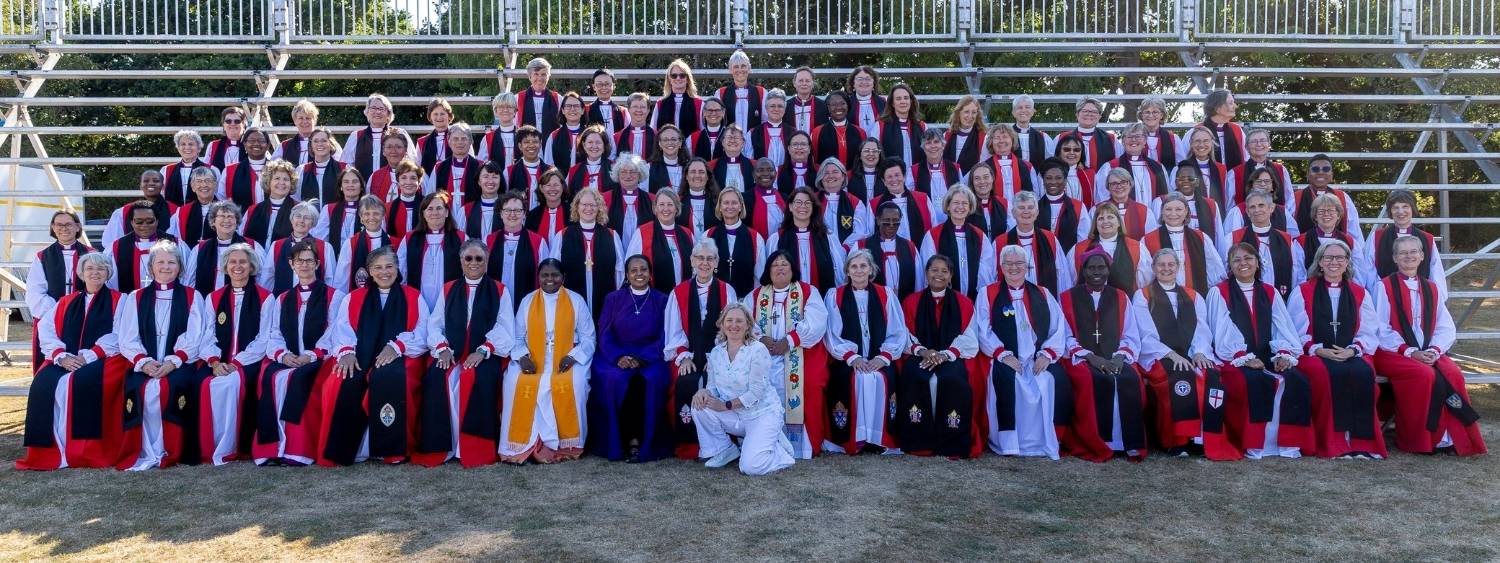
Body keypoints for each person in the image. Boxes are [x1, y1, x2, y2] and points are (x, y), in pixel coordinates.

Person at [1372, 235, 1485, 455]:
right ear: (1395, 258)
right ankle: (1420, 440)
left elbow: (1445, 326)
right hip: (1391, 351)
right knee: (1424, 375)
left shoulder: (1432, 288)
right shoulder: (1383, 286)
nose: (1409, 256)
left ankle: (1453, 437)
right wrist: (1410, 351)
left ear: (1422, 256)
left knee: (1453, 373)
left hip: (1427, 350)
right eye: (1403, 253)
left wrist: (1434, 350)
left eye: (1414, 252)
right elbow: (1379, 328)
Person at [17, 253, 128, 470]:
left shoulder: (121, 300)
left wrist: (88, 355)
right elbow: (46, 329)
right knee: (43, 384)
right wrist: (60, 355)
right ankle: (49, 451)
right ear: (81, 273)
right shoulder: (65, 302)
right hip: (66, 358)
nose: (95, 273)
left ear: (108, 273)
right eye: (89, 269)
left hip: (102, 358)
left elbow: (120, 333)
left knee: (82, 383)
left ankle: (83, 452)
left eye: (100, 269)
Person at [322, 246, 430, 465]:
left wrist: (397, 346)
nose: (384, 272)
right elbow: (341, 329)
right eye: (378, 267)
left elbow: (422, 332)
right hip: (360, 354)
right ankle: (347, 450)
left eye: (389, 266)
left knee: (388, 378)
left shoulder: (412, 296)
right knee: (343, 379)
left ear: (398, 268)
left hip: (402, 356)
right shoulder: (353, 298)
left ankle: (391, 448)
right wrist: (346, 352)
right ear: (369, 271)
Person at [413, 240, 516, 468]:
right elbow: (435, 324)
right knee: (437, 378)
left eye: (479, 258)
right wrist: (441, 349)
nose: (473, 263)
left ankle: (472, 449)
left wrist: (483, 350)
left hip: (485, 354)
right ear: (460, 261)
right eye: (468, 258)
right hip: (452, 351)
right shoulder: (448, 288)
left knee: (473, 379)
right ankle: (443, 447)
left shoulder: (499, 290)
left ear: (487, 261)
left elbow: (506, 327)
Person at [1133, 249, 1242, 459]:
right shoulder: (1144, 295)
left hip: (1191, 353)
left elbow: (1202, 329)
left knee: (1209, 377)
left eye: (1170, 264)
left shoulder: (1193, 296)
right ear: (1154, 268)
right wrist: (1171, 354)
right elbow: (1145, 333)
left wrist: (1200, 352)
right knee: (1179, 378)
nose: (1166, 269)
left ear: (1178, 267)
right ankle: (1176, 441)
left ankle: (1202, 438)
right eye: (1161, 265)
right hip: (1158, 356)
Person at [1210, 242, 1315, 458]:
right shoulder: (1219, 292)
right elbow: (1221, 329)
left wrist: (1284, 353)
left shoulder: (1269, 291)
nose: (1243, 263)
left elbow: (1281, 326)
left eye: (1248, 258)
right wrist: (1242, 356)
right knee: (1255, 381)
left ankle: (1289, 443)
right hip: (1233, 359)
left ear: (1258, 262)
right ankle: (1256, 444)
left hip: (1268, 355)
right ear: (1230, 265)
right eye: (1236, 260)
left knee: (1296, 379)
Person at [115, 239, 212, 470]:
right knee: (143, 390)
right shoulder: (135, 297)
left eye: (171, 262)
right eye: (160, 262)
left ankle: (172, 449)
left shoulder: (192, 296)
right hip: (145, 363)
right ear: (151, 267)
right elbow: (127, 337)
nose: (166, 267)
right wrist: (144, 362)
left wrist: (173, 361)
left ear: (179, 267)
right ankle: (145, 449)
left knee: (169, 388)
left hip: (180, 363)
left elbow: (195, 335)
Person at [1287, 240, 1387, 459]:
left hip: (1350, 352)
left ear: (1348, 262)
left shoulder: (1360, 293)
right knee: (1326, 375)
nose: (1334, 262)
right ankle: (1334, 443)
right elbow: (1293, 331)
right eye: (1328, 258)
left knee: (1363, 373)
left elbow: (1370, 330)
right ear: (1320, 262)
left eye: (1340, 258)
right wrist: (1319, 350)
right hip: (1313, 354)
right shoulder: (1303, 292)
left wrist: (1352, 350)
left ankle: (1362, 443)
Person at [973, 245, 1069, 459]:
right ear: (1001, 266)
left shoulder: (1043, 293)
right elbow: (982, 328)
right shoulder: (987, 293)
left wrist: (1047, 355)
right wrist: (1003, 354)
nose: (1014, 268)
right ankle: (1010, 443)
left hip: (1036, 357)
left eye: (1019, 263)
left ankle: (1044, 440)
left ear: (1027, 267)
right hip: (1005, 357)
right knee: (1008, 379)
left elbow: (1057, 327)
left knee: (1049, 380)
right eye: (1009, 263)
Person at [253, 240, 344, 466]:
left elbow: (334, 332)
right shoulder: (282, 298)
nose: (304, 265)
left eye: (309, 261)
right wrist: (282, 355)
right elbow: (274, 333)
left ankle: (297, 449)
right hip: (289, 356)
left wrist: (311, 355)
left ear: (318, 263)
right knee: (272, 378)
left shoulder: (334, 296)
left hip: (320, 358)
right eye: (299, 261)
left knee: (297, 379)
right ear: (291, 264)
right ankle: (272, 448)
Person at [502, 259, 595, 463]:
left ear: (563, 278)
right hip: (533, 358)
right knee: (513, 381)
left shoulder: (576, 301)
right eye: (545, 275)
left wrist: (573, 357)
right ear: (539, 277)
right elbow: (516, 337)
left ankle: (566, 444)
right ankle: (525, 444)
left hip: (566, 358)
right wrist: (523, 357)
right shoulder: (528, 301)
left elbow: (588, 338)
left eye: (555, 275)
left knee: (576, 383)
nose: (550, 279)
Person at [1059, 248, 1146, 461]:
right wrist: (1092, 358)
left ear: (1108, 270)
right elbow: (1065, 337)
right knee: (1093, 379)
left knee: (1128, 378)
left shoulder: (1120, 297)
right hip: (1081, 359)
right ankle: (1099, 441)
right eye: (1091, 268)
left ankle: (1128, 442)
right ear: (1083, 271)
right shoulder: (1067, 298)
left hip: (1115, 356)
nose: (1096, 272)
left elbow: (1130, 334)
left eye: (1101, 267)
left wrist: (1118, 357)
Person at [690, 303, 795, 475]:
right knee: (699, 405)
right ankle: (724, 449)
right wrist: (703, 393)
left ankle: (779, 451)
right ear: (722, 324)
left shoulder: (758, 350)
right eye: (729, 320)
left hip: (761, 414)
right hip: (737, 416)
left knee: (750, 467)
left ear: (748, 325)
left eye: (739, 321)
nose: (734, 325)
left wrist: (725, 406)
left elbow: (756, 393)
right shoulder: (716, 352)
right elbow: (713, 388)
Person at [744, 250, 830, 459]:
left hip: (799, 353)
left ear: (793, 270)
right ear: (768, 271)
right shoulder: (756, 295)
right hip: (764, 353)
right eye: (775, 265)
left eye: (785, 264)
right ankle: (763, 441)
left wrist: (790, 341)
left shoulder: (808, 292)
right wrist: (761, 338)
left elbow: (817, 322)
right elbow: (744, 320)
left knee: (808, 385)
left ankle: (801, 447)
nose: (780, 268)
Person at [195, 243, 274, 465]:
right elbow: (206, 335)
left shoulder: (266, 297)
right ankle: (207, 446)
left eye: (243, 262)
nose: (237, 266)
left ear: (252, 267)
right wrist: (214, 361)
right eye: (232, 262)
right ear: (225, 268)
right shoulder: (213, 298)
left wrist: (236, 362)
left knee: (230, 385)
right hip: (216, 361)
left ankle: (232, 446)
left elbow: (264, 338)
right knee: (199, 383)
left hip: (250, 361)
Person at [823, 249, 909, 454]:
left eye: (863, 266)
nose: (859, 270)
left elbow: (898, 330)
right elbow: (832, 334)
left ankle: (878, 438)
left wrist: (883, 357)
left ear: (871, 269)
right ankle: (855, 438)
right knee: (857, 379)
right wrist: (852, 357)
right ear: (847, 271)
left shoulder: (885, 294)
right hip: (848, 361)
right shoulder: (835, 295)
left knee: (879, 378)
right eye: (854, 266)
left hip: (879, 358)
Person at [589, 255, 672, 462]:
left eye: (643, 269)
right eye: (633, 270)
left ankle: (644, 442)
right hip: (616, 354)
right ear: (626, 275)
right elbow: (605, 333)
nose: (639, 274)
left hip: (650, 355)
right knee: (614, 380)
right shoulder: (613, 299)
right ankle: (619, 441)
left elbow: (665, 334)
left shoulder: (661, 300)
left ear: (650, 273)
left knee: (650, 380)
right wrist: (618, 357)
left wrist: (642, 358)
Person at [898, 255, 981, 458]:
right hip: (920, 354)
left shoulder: (964, 302)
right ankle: (919, 442)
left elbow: (970, 338)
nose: (939, 275)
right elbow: (903, 334)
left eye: (944, 271)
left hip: (950, 356)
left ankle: (951, 443)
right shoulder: (911, 301)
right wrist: (923, 351)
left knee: (952, 379)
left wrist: (945, 355)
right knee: (915, 377)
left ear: (951, 275)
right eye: (934, 270)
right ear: (926, 274)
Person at [665, 241, 740, 459]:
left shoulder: (727, 291)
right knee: (685, 381)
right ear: (692, 261)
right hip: (688, 354)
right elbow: (674, 330)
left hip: (720, 355)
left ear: (717, 262)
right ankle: (689, 445)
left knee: (718, 383)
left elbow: (733, 329)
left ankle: (723, 442)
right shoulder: (678, 293)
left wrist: (716, 357)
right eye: (700, 258)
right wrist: (683, 356)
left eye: (710, 259)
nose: (704, 263)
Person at [26, 210, 93, 371]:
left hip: (84, 318)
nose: (64, 228)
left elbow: (99, 287)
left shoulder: (92, 255)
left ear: (77, 227)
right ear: (53, 228)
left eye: (69, 224)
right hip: (51, 318)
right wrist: (58, 312)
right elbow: (35, 292)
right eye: (59, 224)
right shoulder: (42, 257)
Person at [550, 187, 625, 318]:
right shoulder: (562, 235)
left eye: (593, 205)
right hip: (570, 297)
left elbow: (620, 271)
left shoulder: (612, 236)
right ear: (577, 207)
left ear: (599, 208)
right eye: (584, 204)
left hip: (604, 295)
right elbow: (554, 269)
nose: (588, 208)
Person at [1138, 193, 1226, 296]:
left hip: (1196, 297)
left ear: (1186, 212)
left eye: (1178, 209)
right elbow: (1146, 276)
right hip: (1161, 299)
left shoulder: (1201, 237)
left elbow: (1214, 272)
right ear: (1162, 211)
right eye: (1168, 209)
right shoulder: (1147, 240)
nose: (1173, 213)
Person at [919, 186, 994, 299]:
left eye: (964, 203)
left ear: (970, 207)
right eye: (956, 202)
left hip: (973, 300)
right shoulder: (933, 236)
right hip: (941, 299)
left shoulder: (980, 236)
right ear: (948, 206)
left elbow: (987, 270)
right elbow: (928, 270)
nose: (960, 207)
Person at [1368, 189, 1447, 296]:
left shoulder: (1427, 239)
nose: (1400, 211)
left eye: (1405, 206)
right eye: (1395, 207)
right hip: (1387, 295)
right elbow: (1369, 269)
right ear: (1390, 211)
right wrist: (1378, 293)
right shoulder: (1377, 237)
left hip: (1420, 296)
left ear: (1412, 209)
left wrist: (1437, 298)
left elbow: (1436, 271)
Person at [1227, 191, 1305, 298]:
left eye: (1261, 205)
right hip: (1245, 298)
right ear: (1247, 212)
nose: (1257, 210)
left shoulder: (1286, 239)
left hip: (1280, 298)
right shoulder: (1233, 238)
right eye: (1252, 207)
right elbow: (1225, 270)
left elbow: (1296, 273)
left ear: (1271, 208)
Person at [769, 187, 848, 292]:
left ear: (813, 207)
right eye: (798, 202)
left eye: (807, 203)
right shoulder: (776, 239)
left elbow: (839, 270)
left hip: (822, 299)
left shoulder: (828, 237)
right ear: (790, 207)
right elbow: (770, 272)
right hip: (788, 301)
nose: (803, 206)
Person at [397, 191, 466, 308]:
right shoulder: (410, 239)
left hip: (451, 299)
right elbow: (400, 269)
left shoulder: (461, 238)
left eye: (439, 208)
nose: (435, 212)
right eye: (430, 209)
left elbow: (468, 270)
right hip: (417, 298)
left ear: (446, 212)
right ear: (423, 213)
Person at [996, 191, 1071, 295]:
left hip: (1045, 299)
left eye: (1030, 207)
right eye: (1021, 208)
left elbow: (1062, 275)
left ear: (1037, 212)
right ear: (1013, 213)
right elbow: (993, 277)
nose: (1026, 211)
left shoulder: (1050, 239)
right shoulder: (1000, 242)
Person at [1295, 192, 1376, 288]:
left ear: (1338, 215)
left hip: (1343, 291)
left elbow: (1359, 273)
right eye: (1321, 211)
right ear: (1315, 216)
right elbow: (1298, 275)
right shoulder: (1301, 241)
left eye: (1331, 211)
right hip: (1312, 293)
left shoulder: (1350, 242)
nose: (1326, 214)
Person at [184, 201, 264, 295]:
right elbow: (190, 281)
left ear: (237, 221)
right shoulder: (199, 249)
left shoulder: (252, 246)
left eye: (230, 216)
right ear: (213, 221)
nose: (226, 220)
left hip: (242, 300)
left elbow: (262, 278)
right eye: (222, 216)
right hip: (208, 303)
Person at [626, 188, 694, 293]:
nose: (665, 209)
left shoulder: (687, 234)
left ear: (677, 208)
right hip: (653, 297)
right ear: (655, 208)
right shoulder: (642, 233)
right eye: (661, 204)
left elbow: (695, 266)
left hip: (683, 296)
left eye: (670, 204)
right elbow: (631, 265)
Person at [263, 200, 338, 294]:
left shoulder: (325, 248)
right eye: (298, 216)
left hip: (316, 301)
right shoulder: (276, 246)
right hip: (283, 302)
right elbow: (267, 278)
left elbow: (330, 280)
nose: (301, 221)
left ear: (312, 223)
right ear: (292, 219)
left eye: (307, 218)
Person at [1067, 202, 1142, 295]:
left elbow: (1142, 283)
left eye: (1110, 217)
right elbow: (1070, 280)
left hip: (1123, 305)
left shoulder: (1137, 248)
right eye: (1101, 218)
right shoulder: (1079, 249)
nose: (1105, 221)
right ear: (1095, 224)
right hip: (1087, 304)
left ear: (1119, 222)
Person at [854, 202, 925, 299]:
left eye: (896, 221)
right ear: (878, 220)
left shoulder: (910, 247)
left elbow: (919, 282)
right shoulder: (861, 246)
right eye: (887, 220)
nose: (891, 225)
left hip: (904, 304)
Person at [487, 192, 548, 306]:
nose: (512, 214)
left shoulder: (538, 242)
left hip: (528, 304)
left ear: (524, 214)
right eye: (507, 210)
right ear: (501, 213)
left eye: (517, 210)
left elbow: (544, 276)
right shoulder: (489, 241)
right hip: (495, 302)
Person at [703, 188, 766, 295]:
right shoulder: (708, 235)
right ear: (720, 207)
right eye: (726, 203)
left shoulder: (755, 237)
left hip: (745, 299)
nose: (730, 206)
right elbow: (701, 270)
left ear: (741, 206)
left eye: (734, 203)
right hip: (715, 296)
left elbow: (759, 275)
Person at [1153, 164, 1227, 254]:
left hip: (1203, 252)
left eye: (1190, 179)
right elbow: (1155, 232)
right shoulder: (1161, 202)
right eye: (1181, 179)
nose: (1186, 182)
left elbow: (1219, 237)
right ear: (1175, 182)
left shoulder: (1211, 204)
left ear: (1197, 182)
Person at [110, 200, 179, 294]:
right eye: (139, 222)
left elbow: (186, 276)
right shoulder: (117, 247)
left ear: (157, 221)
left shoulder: (175, 243)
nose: (144, 225)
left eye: (150, 221)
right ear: (132, 223)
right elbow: (110, 282)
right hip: (131, 304)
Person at [1093, 123, 1170, 206]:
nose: (1133, 140)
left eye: (1138, 136)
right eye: (1129, 136)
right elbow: (1102, 197)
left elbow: (1165, 197)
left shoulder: (1158, 167)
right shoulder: (1109, 167)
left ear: (1145, 141)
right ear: (1123, 141)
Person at [101, 170, 175, 250]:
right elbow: (111, 244)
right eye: (146, 181)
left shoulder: (176, 212)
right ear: (140, 185)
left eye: (156, 181)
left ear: (163, 186)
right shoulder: (123, 213)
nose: (151, 183)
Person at [870, 159, 938, 241]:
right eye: (889, 177)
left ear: (904, 176)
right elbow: (870, 233)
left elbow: (934, 229)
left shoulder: (923, 199)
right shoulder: (874, 204)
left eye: (897, 175)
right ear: (884, 181)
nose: (894, 179)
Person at [333, 195, 391, 291]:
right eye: (367, 214)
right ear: (361, 217)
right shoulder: (350, 244)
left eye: (376, 213)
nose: (371, 218)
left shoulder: (394, 243)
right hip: (359, 298)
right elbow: (341, 278)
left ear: (383, 215)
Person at [1226, 129, 1296, 208]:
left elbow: (1289, 199)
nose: (1259, 144)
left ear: (1269, 144)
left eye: (1263, 140)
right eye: (1254, 141)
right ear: (1246, 147)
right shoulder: (1234, 173)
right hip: (1244, 219)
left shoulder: (1281, 170)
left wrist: (1282, 217)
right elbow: (1229, 205)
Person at [1036, 158, 1093, 254]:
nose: (1053, 182)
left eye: (1058, 178)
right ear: (1043, 180)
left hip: (1069, 259)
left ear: (1065, 180)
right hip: (1042, 259)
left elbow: (1083, 240)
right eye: (1048, 178)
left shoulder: (1078, 207)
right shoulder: (1035, 207)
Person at [1223, 168, 1299, 237]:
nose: (1263, 184)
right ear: (1251, 186)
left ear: (1272, 186)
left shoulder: (1283, 212)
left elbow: (1292, 238)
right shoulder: (1237, 211)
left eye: (1267, 181)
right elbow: (1232, 240)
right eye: (1258, 181)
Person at [1173, 125, 1231, 215]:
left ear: (1212, 143)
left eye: (1206, 141)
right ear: (1191, 143)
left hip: (1215, 215)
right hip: (1188, 216)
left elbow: (1226, 197)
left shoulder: (1221, 169)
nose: (1201, 145)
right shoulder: (1180, 168)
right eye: (1197, 141)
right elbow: (1173, 196)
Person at [815, 157, 873, 246]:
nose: (831, 176)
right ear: (820, 178)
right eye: (826, 173)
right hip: (820, 251)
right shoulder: (812, 200)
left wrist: (844, 249)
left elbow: (859, 232)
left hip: (847, 253)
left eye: (835, 172)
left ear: (843, 176)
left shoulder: (855, 202)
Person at [239, 159, 297, 245]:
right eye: (277, 178)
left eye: (286, 179)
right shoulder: (253, 210)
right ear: (268, 181)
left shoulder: (298, 209)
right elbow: (241, 238)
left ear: (291, 183)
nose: (281, 183)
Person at [424, 121, 482, 205]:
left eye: (464, 138)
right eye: (455, 139)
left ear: (470, 141)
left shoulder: (480, 167)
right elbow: (430, 196)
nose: (460, 142)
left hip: (472, 215)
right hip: (445, 216)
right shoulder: (439, 168)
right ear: (449, 141)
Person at [604, 153, 655, 249]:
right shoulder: (606, 198)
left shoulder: (652, 200)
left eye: (633, 172)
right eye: (623, 172)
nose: (628, 175)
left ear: (640, 174)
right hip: (612, 248)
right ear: (617, 174)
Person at [1055, 97, 1122, 169]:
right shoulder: (1061, 138)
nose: (1089, 114)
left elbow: (1119, 165)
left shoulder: (1111, 139)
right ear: (1077, 114)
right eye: (1085, 111)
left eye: (1094, 112)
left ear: (1099, 116)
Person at [981, 126, 1040, 202]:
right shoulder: (983, 167)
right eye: (997, 137)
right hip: (994, 211)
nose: (1001, 141)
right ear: (991, 142)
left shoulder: (1027, 166)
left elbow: (1035, 196)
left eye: (1005, 137)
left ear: (1012, 140)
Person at [314, 168, 367, 254]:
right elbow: (320, 240)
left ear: (361, 186)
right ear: (341, 187)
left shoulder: (368, 209)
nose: (350, 185)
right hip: (336, 259)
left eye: (355, 181)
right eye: (346, 182)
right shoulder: (329, 209)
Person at [219, 128, 273, 209]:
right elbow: (222, 199)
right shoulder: (230, 171)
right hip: (242, 220)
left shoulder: (277, 169)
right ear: (244, 144)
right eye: (251, 140)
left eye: (261, 141)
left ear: (268, 145)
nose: (256, 143)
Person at [168, 166, 221, 249]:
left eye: (208, 181)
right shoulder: (182, 212)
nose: (204, 185)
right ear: (193, 187)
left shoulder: (226, 210)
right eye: (199, 181)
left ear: (215, 185)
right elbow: (173, 239)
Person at [811, 90, 865, 169]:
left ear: (848, 105)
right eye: (833, 104)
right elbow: (814, 161)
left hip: (854, 178)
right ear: (828, 108)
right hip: (828, 178)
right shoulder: (817, 132)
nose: (838, 107)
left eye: (842, 103)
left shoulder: (860, 132)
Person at [1098, 168, 1156, 240]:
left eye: (1123, 182)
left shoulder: (1145, 211)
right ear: (1108, 187)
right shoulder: (1097, 210)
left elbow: (1151, 239)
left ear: (1130, 184)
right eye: (1114, 183)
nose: (1119, 186)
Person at [506, 126, 556, 206]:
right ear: (520, 146)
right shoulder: (509, 171)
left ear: (540, 145)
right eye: (526, 142)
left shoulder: (551, 171)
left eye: (535, 141)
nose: (531, 145)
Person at [717, 50, 767, 129]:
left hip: (754, 140)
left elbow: (765, 121)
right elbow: (717, 122)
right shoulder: (720, 93)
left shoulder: (761, 92)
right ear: (730, 70)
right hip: (729, 141)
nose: (740, 70)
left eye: (743, 66)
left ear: (749, 68)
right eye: (736, 67)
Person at [652, 59, 703, 136]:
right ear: (669, 79)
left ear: (687, 79)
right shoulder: (660, 103)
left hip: (691, 147)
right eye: (674, 76)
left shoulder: (698, 103)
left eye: (682, 75)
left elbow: (703, 131)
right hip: (666, 147)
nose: (678, 78)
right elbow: (654, 130)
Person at [879, 83, 926, 166]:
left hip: (917, 176)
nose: (903, 101)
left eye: (906, 98)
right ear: (892, 103)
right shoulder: (880, 126)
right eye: (898, 98)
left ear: (911, 101)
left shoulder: (922, 126)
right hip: (891, 176)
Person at [1200, 89, 1248, 170]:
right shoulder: (1197, 131)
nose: (1235, 106)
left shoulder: (1237, 130)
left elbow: (1247, 157)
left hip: (1234, 179)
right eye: (1230, 103)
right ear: (1217, 108)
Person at [457, 161, 506, 240]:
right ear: (479, 181)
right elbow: (460, 240)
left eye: (495, 177)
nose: (490, 181)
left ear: (500, 180)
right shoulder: (465, 211)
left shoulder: (508, 208)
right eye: (486, 176)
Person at [162, 129, 212, 206]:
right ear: (178, 148)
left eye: (191, 144)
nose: (187, 147)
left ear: (199, 148)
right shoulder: (166, 170)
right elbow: (162, 195)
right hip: (172, 214)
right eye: (183, 144)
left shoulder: (210, 169)